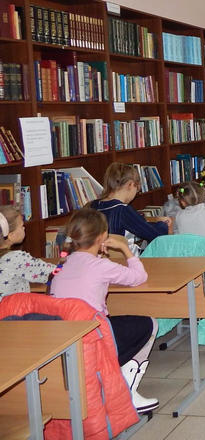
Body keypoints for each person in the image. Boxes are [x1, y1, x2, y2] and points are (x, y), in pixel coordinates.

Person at [50, 208, 159, 413]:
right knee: (150, 323)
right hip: (94, 338)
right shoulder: (101, 265)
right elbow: (139, 277)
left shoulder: (62, 265)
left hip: (65, 338)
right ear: (102, 237)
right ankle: (126, 391)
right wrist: (125, 249)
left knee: (118, 322)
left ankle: (110, 381)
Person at [91, 163, 171, 246]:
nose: (136, 193)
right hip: (123, 254)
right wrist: (163, 224)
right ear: (130, 184)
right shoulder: (123, 210)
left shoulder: (93, 205)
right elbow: (156, 235)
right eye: (137, 189)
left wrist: (153, 221)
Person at [0, 205, 56, 297]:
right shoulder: (16, 259)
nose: (24, 228)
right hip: (14, 306)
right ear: (11, 236)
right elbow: (53, 272)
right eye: (21, 226)